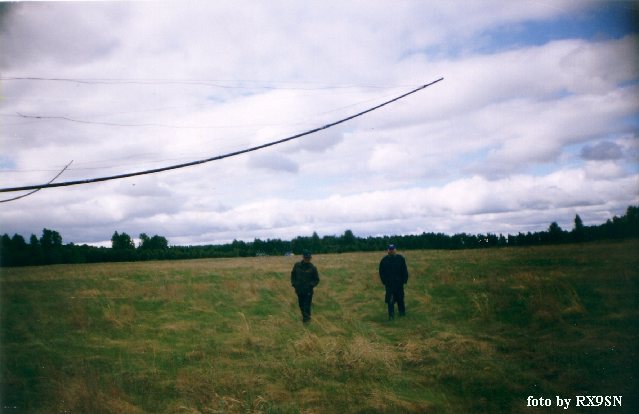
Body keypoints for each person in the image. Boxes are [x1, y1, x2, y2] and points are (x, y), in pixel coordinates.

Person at [379, 244, 409, 320]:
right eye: (390, 249)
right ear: (388, 250)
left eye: (393, 249)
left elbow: (404, 270)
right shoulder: (384, 260)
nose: (391, 251)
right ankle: (391, 315)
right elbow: (381, 272)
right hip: (389, 284)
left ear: (395, 250)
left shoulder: (400, 259)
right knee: (390, 300)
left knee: (400, 298)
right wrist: (384, 281)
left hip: (399, 283)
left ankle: (402, 312)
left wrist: (404, 280)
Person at [291, 250, 320, 323]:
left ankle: (306, 320)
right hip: (299, 290)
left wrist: (311, 285)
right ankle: (305, 318)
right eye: (306, 257)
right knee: (301, 305)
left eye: (309, 258)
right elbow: (293, 275)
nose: (307, 259)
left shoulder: (313, 268)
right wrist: (294, 284)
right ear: (303, 257)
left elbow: (316, 280)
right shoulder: (297, 266)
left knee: (306, 305)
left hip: (308, 291)